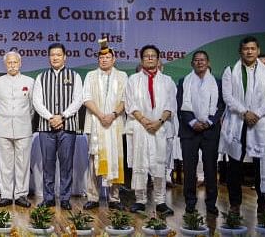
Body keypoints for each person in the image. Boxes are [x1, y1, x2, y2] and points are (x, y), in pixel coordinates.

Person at [220, 37, 265, 215]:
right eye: (246, 49)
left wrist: (257, 113)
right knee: (235, 166)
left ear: (258, 51)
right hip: (238, 122)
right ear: (240, 51)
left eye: (252, 48)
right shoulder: (230, 70)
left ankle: (264, 205)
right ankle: (235, 204)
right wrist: (245, 112)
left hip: (260, 123)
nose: (249, 52)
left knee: (261, 165)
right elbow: (228, 96)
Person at [125, 45, 176, 216]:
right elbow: (130, 103)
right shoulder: (133, 80)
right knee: (140, 163)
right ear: (141, 60)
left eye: (153, 56)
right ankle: (140, 200)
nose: (149, 58)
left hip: (160, 128)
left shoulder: (167, 81)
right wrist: (145, 121)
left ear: (158, 59)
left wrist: (159, 121)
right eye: (146, 56)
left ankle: (160, 201)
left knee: (159, 163)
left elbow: (171, 104)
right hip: (140, 127)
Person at [33, 43, 83, 210]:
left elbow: (78, 100)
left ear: (64, 57)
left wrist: (62, 116)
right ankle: (48, 198)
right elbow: (37, 102)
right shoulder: (41, 77)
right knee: (47, 164)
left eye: (58, 54)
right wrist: (50, 117)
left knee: (66, 164)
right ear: (49, 57)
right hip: (46, 127)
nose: (55, 57)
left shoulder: (74, 75)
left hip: (67, 127)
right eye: (52, 54)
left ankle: (65, 198)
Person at [177, 50, 225, 216]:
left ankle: (211, 203)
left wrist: (209, 122)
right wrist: (192, 122)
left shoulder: (217, 83)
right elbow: (180, 105)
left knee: (211, 169)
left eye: (203, 60)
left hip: (210, 131)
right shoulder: (184, 81)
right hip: (189, 131)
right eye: (196, 60)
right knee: (189, 170)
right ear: (192, 64)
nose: (200, 63)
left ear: (208, 62)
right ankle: (190, 203)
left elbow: (220, 106)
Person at [82, 39, 127, 211]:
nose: (104, 60)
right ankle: (93, 197)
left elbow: (125, 99)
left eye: (108, 57)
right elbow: (86, 98)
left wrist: (113, 115)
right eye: (101, 58)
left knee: (116, 159)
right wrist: (101, 116)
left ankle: (114, 198)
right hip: (95, 123)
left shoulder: (122, 76)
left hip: (114, 124)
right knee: (94, 160)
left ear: (113, 59)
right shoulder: (91, 76)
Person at [0, 51, 34, 208]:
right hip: (3, 128)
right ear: (5, 64)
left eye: (15, 62)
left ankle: (21, 195)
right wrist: (6, 116)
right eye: (9, 62)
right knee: (5, 164)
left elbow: (32, 107)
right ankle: (6, 195)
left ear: (20, 63)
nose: (12, 65)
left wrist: (21, 118)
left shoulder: (29, 81)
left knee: (23, 163)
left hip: (24, 128)